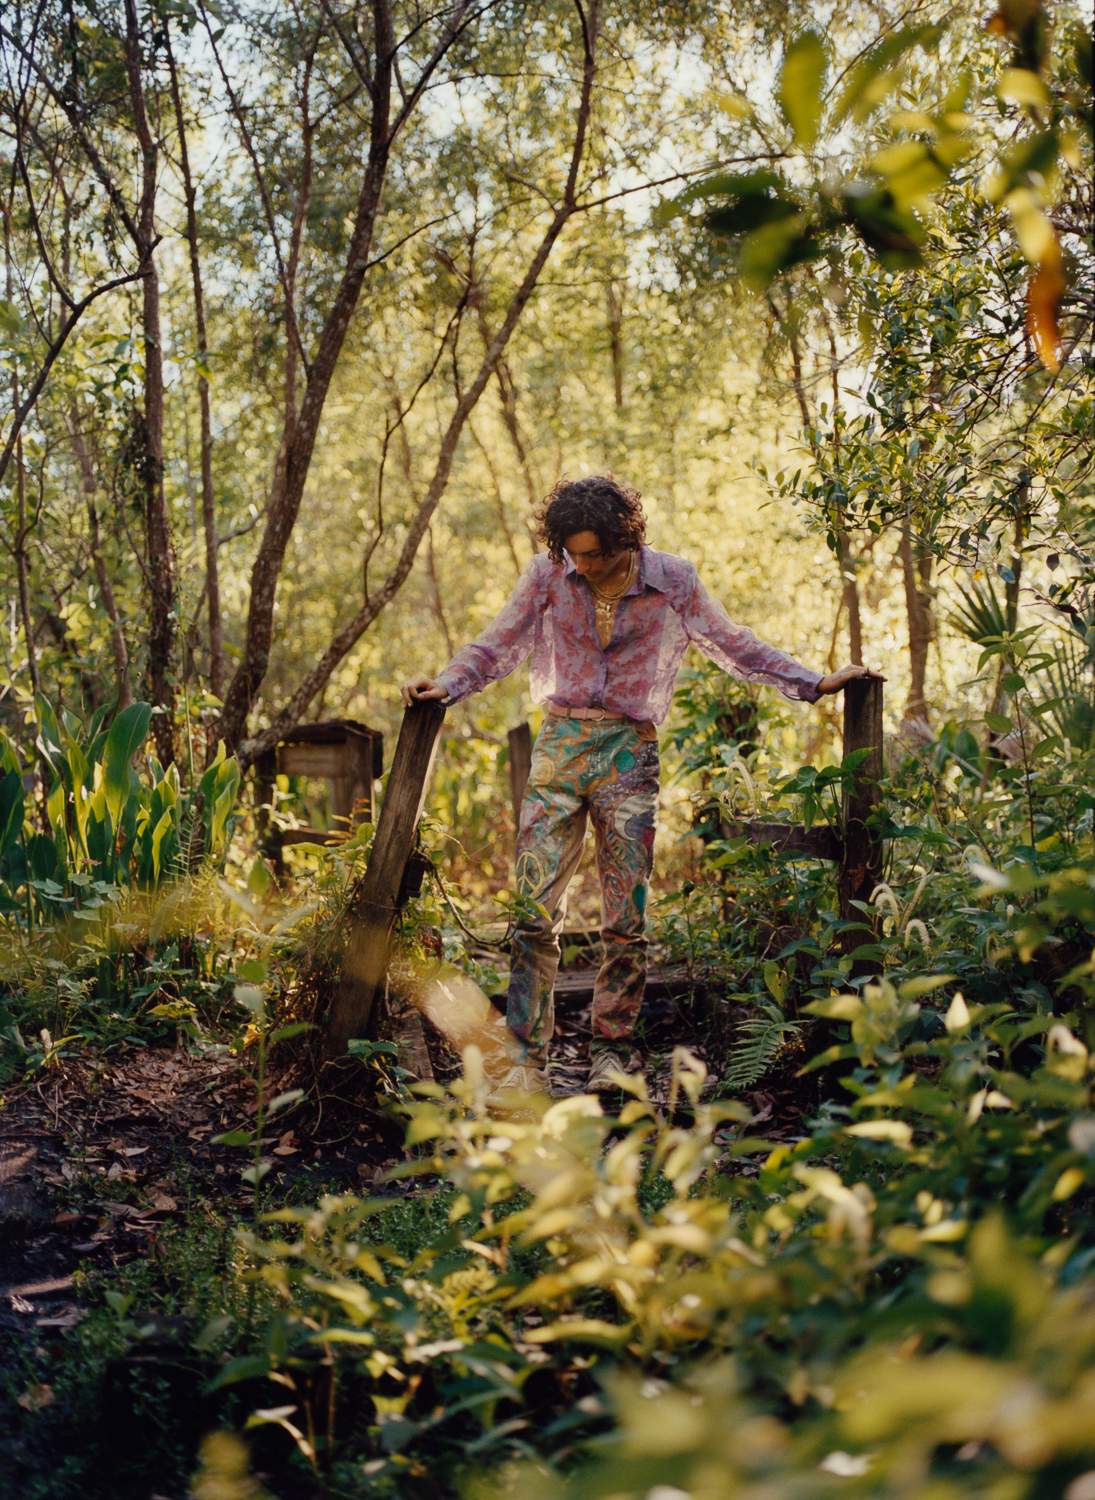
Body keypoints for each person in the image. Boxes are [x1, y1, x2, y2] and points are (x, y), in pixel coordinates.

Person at [401, 474, 878, 1100]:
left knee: (626, 917)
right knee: (532, 912)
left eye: (597, 552)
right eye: (575, 553)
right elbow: (498, 641)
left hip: (631, 750)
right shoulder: (548, 575)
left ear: (629, 538)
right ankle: (522, 1059)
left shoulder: (673, 580)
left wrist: (813, 682)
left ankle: (614, 1055)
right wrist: (447, 683)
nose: (586, 564)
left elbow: (731, 643)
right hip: (560, 745)